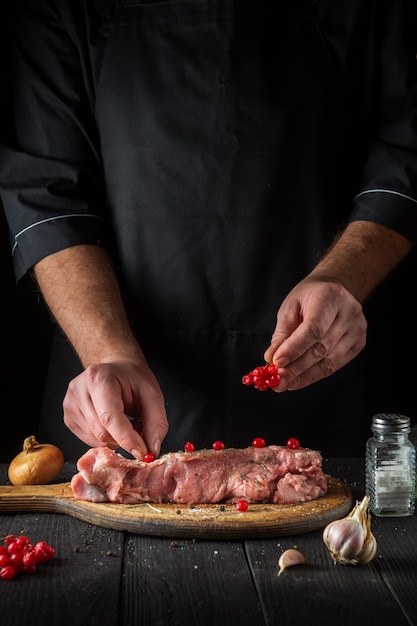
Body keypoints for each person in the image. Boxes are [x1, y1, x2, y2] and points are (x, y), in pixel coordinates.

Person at [0, 0, 416, 461]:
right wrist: (107, 348)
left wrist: (343, 277)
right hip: (118, 396)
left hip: (329, 385)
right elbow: (48, 191)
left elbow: (404, 153)